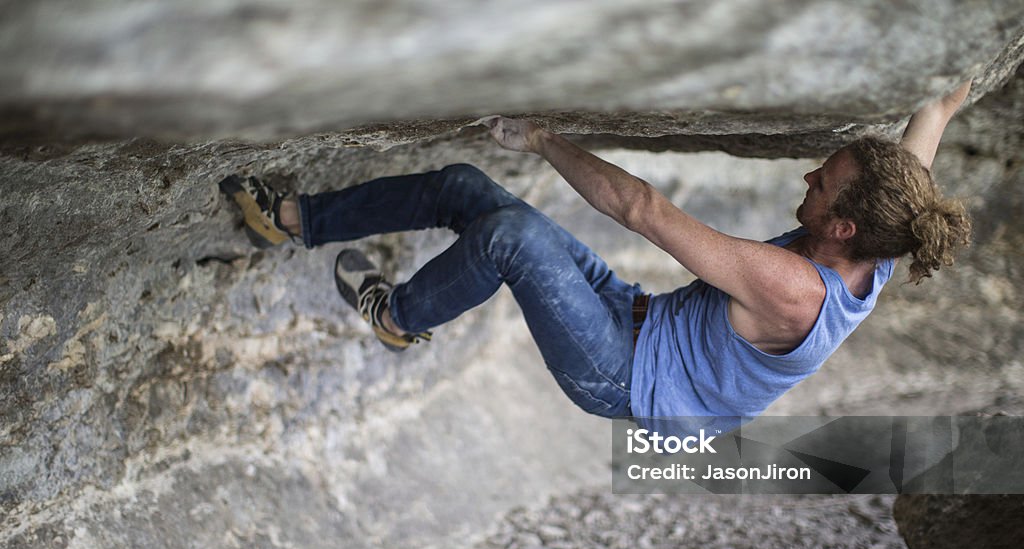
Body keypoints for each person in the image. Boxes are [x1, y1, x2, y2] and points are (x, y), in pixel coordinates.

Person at [219, 80, 973, 424]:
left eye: (823, 183)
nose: (810, 174)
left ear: (843, 227)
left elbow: (641, 208)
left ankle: (399, 317)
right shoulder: (885, 229)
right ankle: (293, 218)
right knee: (462, 185)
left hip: (621, 374)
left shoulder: (792, 286)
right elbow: (924, 143)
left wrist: (543, 137)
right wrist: (942, 100)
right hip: (632, 313)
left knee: (507, 237)